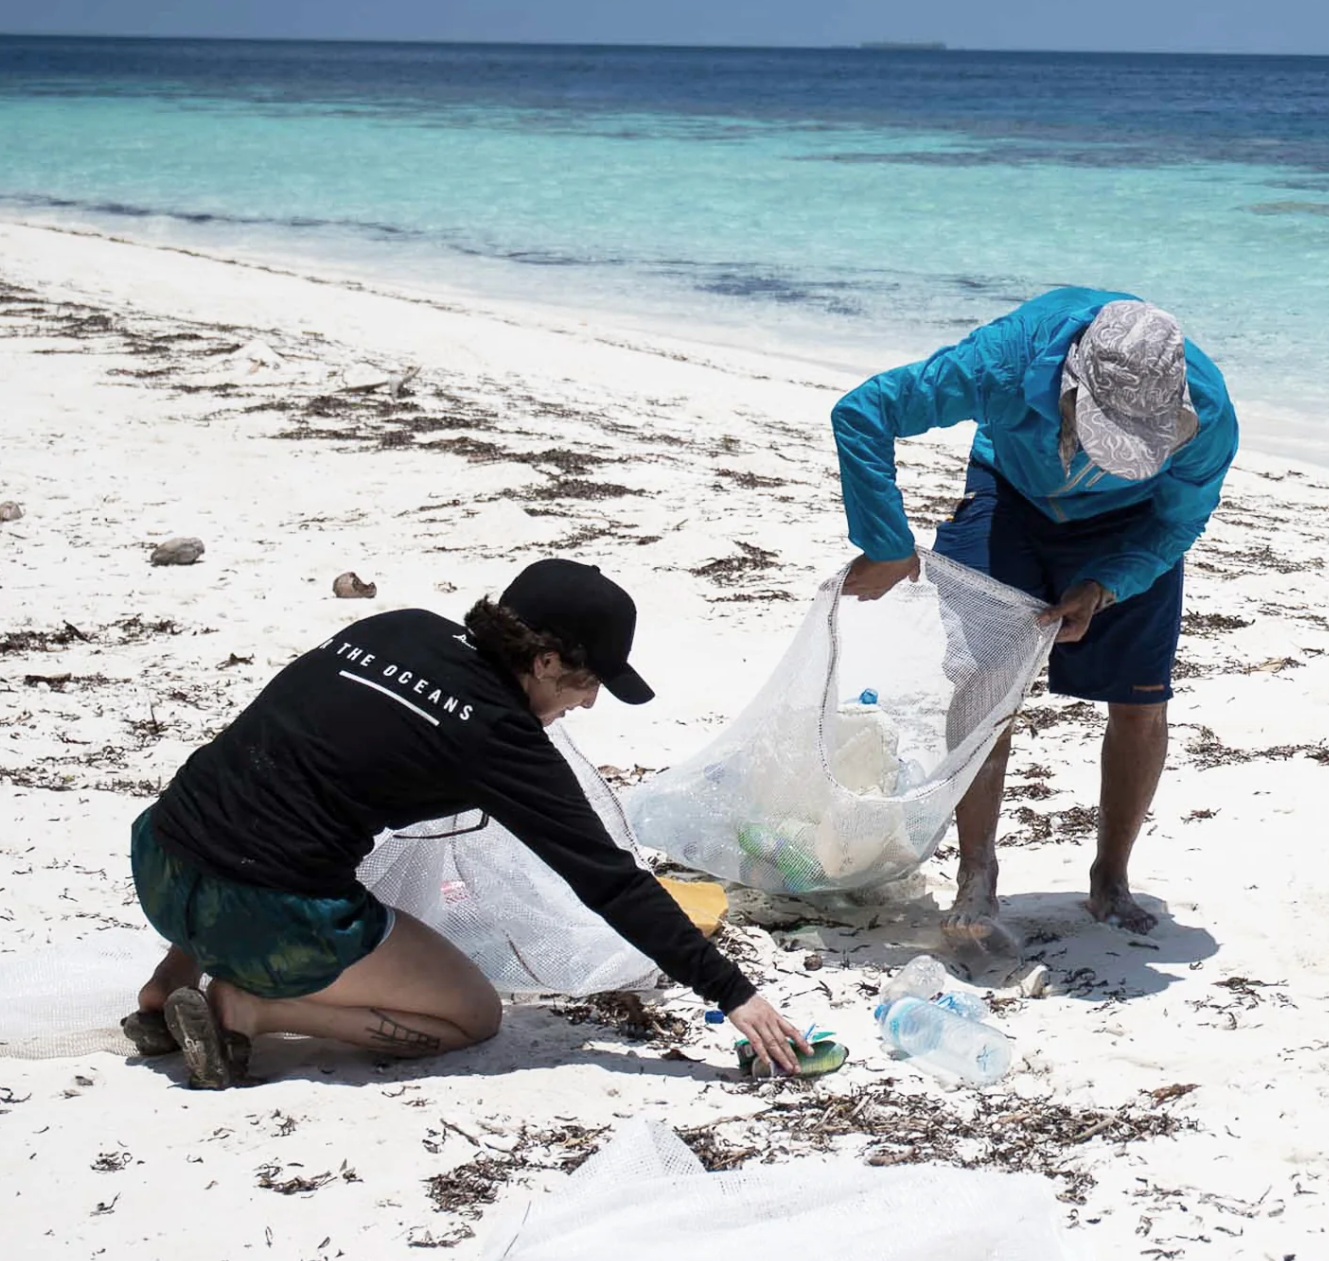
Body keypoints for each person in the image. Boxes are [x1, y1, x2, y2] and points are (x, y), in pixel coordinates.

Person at [123, 558, 808, 1088]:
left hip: (160, 853)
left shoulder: (399, 627)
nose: (591, 701)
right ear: (543, 662)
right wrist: (734, 994)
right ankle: (247, 1009)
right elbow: (611, 883)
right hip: (263, 916)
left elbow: (278, 761)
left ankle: (167, 987)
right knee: (472, 1015)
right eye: (587, 681)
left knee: (268, 807)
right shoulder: (499, 737)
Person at [831, 288, 1238, 947]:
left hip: (1132, 527)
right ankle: (977, 871)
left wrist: (1107, 586)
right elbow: (865, 411)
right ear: (1070, 384)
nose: (1112, 456)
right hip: (1009, 492)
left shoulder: (1207, 416)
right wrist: (887, 544)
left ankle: (1111, 874)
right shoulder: (1003, 363)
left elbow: (1178, 521)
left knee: (1141, 703)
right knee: (984, 686)